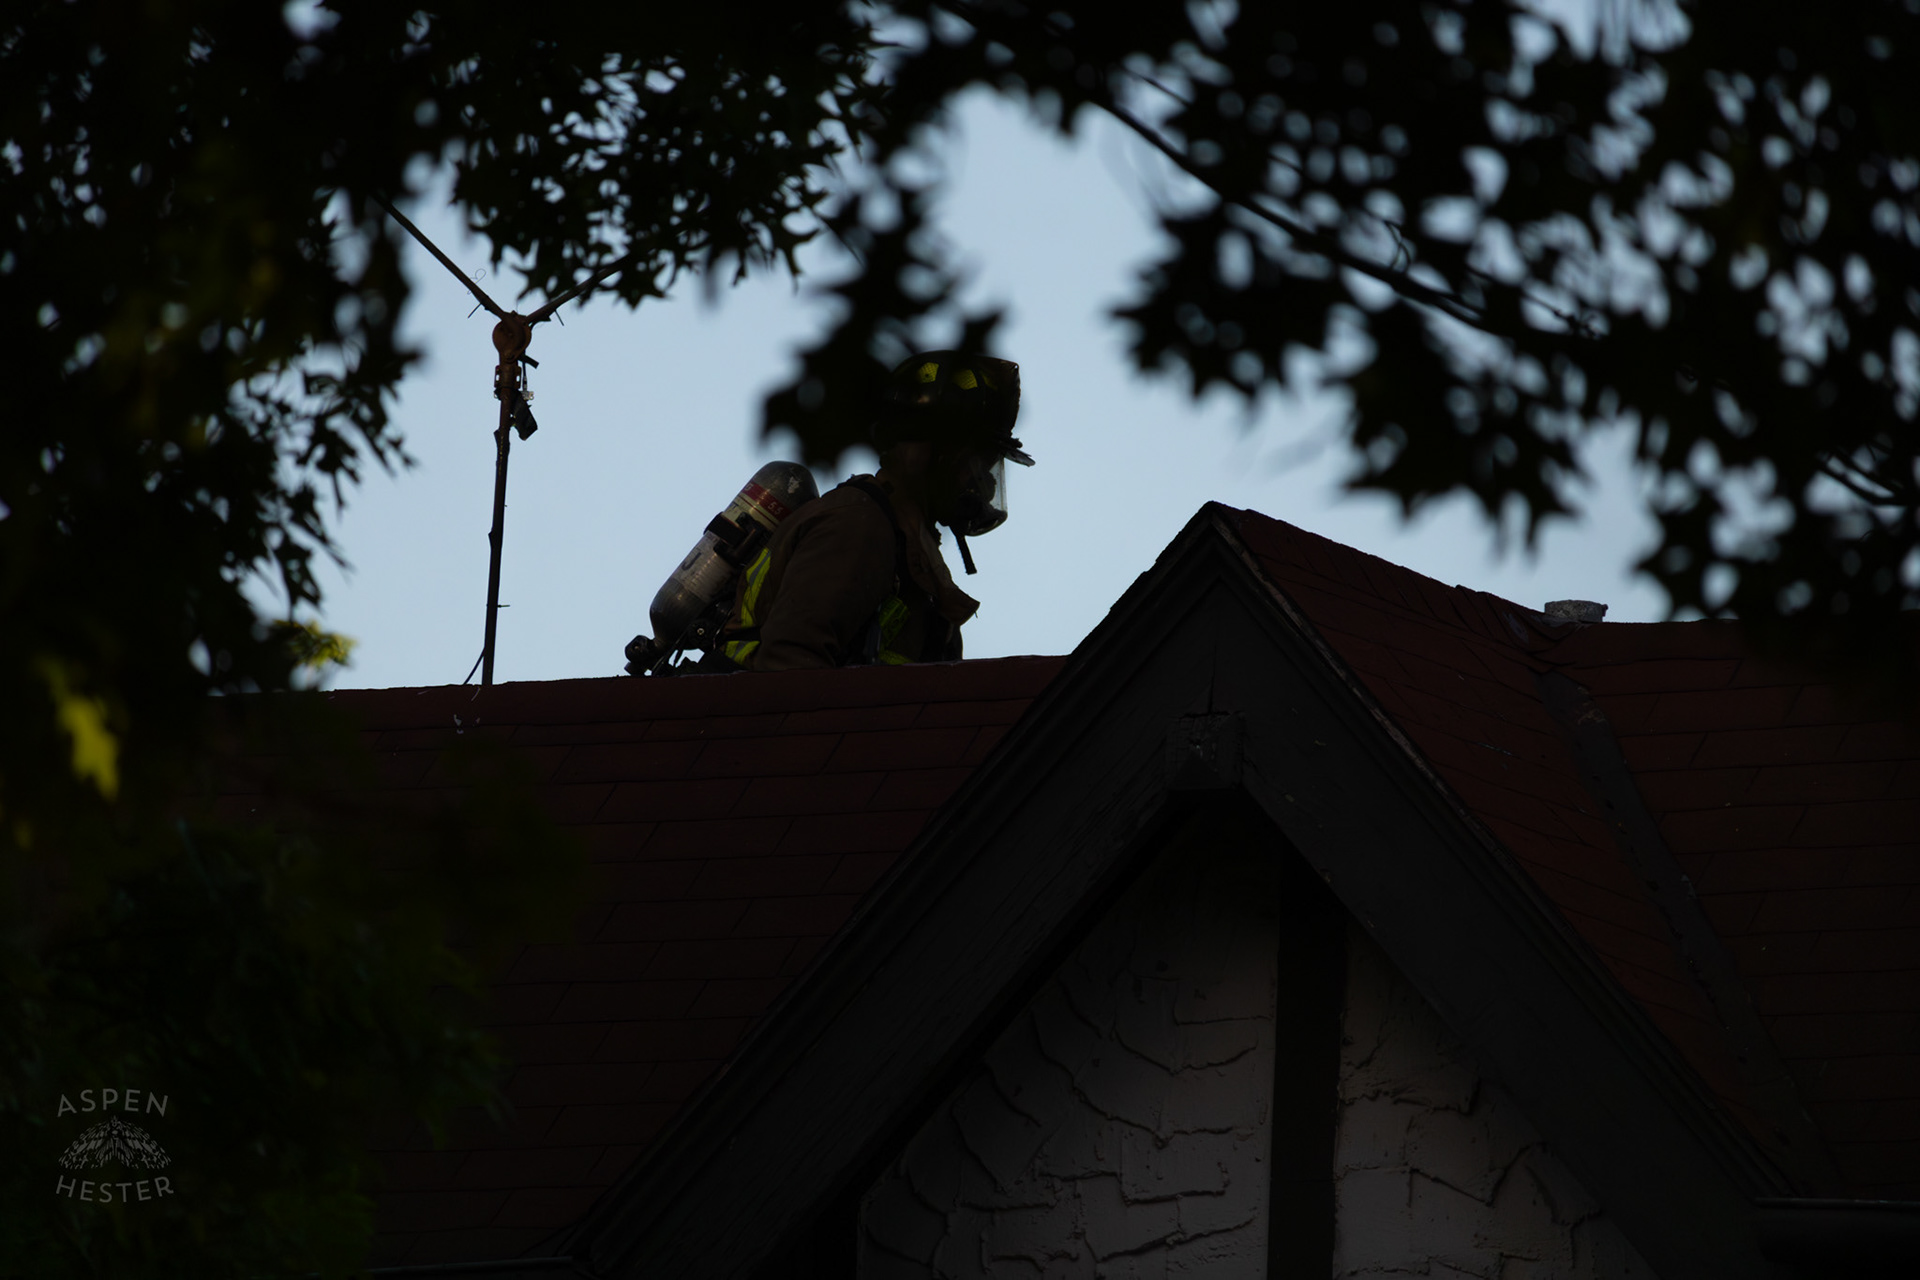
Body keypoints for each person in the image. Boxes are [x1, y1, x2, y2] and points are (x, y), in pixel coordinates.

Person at [718, 351, 1030, 671]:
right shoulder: (858, 526)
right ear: (928, 453)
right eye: (975, 463)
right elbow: (790, 672)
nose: (983, 486)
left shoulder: (911, 551)